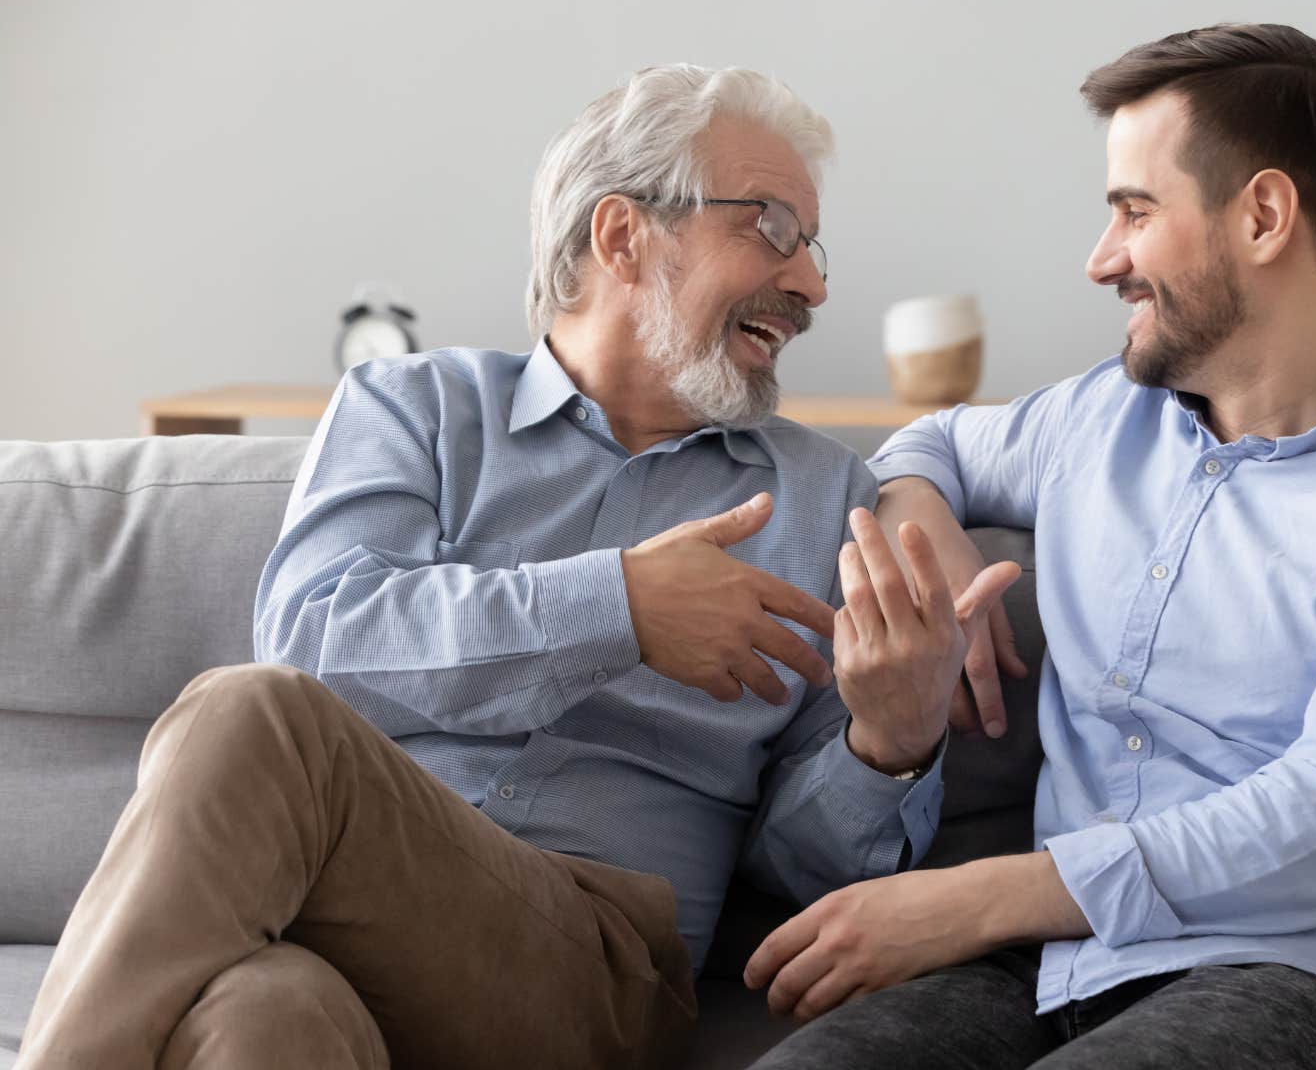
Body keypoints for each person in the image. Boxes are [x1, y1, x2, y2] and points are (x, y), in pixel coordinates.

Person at [19, 64, 1014, 1070]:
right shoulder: (414, 409)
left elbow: (807, 879)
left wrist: (890, 741)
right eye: (770, 227)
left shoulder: (822, 499)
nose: (812, 284)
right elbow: (316, 635)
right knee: (262, 1014)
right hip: (337, 915)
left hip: (594, 963)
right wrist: (616, 607)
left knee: (248, 716)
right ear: (622, 235)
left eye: (811, 245)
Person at [743, 24, 1316, 1070]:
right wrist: (930, 530)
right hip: (1059, 966)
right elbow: (929, 442)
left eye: (1134, 212)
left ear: (1264, 216)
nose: (1101, 259)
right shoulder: (1100, 420)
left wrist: (973, 900)